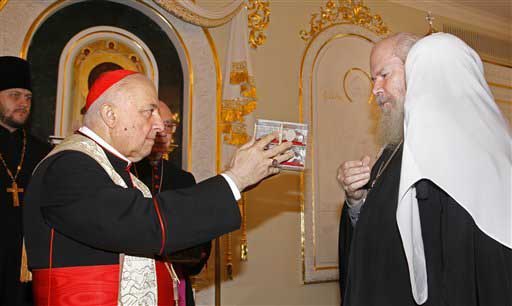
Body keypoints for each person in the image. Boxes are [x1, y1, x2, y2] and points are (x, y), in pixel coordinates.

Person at [24, 70, 294, 306]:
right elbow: (143, 224)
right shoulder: (68, 165)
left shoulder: (119, 171)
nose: (158, 126)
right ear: (110, 115)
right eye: (148, 111)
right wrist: (234, 179)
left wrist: (240, 180)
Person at [337, 33, 511, 306]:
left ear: (418, 72)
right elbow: (377, 235)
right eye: (373, 80)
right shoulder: (392, 151)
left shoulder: (459, 151)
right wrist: (356, 201)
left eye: (384, 75)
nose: (376, 91)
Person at [134, 101, 210, 306]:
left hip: (176, 276)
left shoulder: (183, 179)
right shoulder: (125, 172)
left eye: (169, 126)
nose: (163, 133)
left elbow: (199, 239)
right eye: (157, 124)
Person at [0, 56, 51, 306]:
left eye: (28, 97)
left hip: (25, 265)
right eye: (14, 95)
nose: (23, 103)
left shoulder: (42, 152)